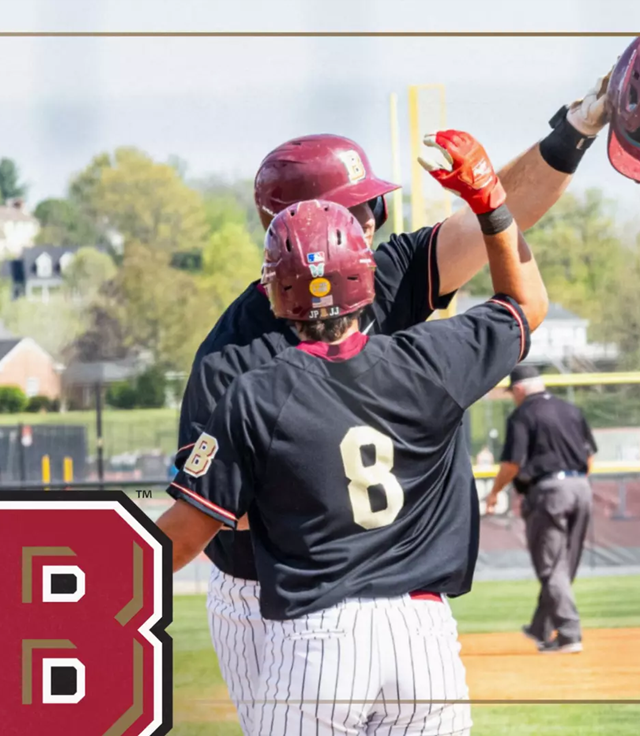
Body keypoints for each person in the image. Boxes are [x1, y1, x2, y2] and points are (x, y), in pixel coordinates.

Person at [173, 70, 612, 730]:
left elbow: (184, 524)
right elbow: (220, 521)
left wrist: (578, 127)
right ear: (295, 224)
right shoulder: (233, 361)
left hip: (333, 622)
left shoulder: (378, 282)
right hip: (267, 591)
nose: (374, 219)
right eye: (358, 209)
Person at [484, 364, 597, 653]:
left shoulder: (523, 415)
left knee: (551, 567)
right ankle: (542, 627)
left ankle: (570, 633)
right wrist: (577, 485)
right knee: (565, 563)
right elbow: (589, 457)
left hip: (549, 492)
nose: (513, 398)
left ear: (520, 389)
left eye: (513, 393)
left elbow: (512, 464)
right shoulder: (570, 410)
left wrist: (495, 492)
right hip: (581, 488)